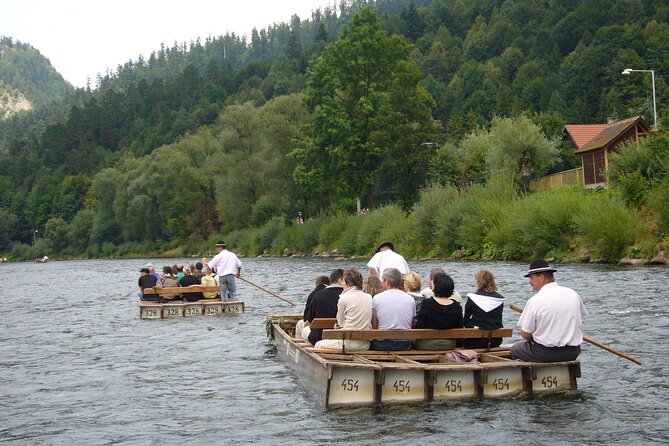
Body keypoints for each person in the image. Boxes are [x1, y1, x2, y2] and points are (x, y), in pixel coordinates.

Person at [510, 259, 587, 362]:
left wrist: (540, 335)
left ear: (541, 277)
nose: (530, 282)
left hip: (546, 353)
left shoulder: (535, 301)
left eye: (531, 278)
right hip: (572, 352)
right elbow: (580, 316)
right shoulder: (573, 294)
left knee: (516, 349)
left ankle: (531, 376)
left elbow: (525, 334)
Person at [314, 268, 373, 351]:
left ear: (348, 282)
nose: (341, 283)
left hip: (349, 343)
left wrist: (338, 327)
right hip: (365, 344)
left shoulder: (343, 298)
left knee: (318, 344)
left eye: (343, 281)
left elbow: (340, 323)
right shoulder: (368, 297)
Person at [414, 273, 464, 350]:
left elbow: (420, 327)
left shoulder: (427, 304)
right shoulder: (457, 306)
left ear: (436, 287)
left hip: (427, 344)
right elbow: (459, 327)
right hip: (449, 344)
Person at [370, 268, 416, 351]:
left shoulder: (377, 298)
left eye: (382, 280)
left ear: (387, 282)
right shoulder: (410, 299)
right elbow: (412, 323)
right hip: (404, 344)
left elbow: (374, 325)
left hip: (383, 344)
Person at [301, 269, 344, 346]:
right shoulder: (346, 295)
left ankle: (309, 351)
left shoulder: (318, 295)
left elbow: (310, 319)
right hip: (343, 336)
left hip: (320, 336)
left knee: (304, 330)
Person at [463, 269, 505, 349]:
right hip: (495, 340)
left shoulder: (473, 298)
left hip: (475, 340)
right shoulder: (499, 299)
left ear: (478, 282)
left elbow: (465, 319)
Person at [295, 275, 330, 340]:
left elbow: (307, 318)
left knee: (300, 324)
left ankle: (299, 346)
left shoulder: (314, 295)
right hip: (333, 328)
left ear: (316, 284)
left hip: (317, 333)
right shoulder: (339, 293)